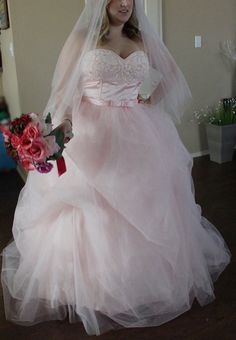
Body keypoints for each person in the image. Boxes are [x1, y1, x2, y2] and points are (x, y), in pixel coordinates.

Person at [0, 0, 231, 336]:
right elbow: (64, 96)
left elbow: (170, 78)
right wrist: (59, 131)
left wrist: (148, 97)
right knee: (94, 209)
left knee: (149, 203)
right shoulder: (82, 41)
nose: (125, 3)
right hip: (92, 135)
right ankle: (95, 286)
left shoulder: (141, 39)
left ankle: (140, 281)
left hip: (141, 133)